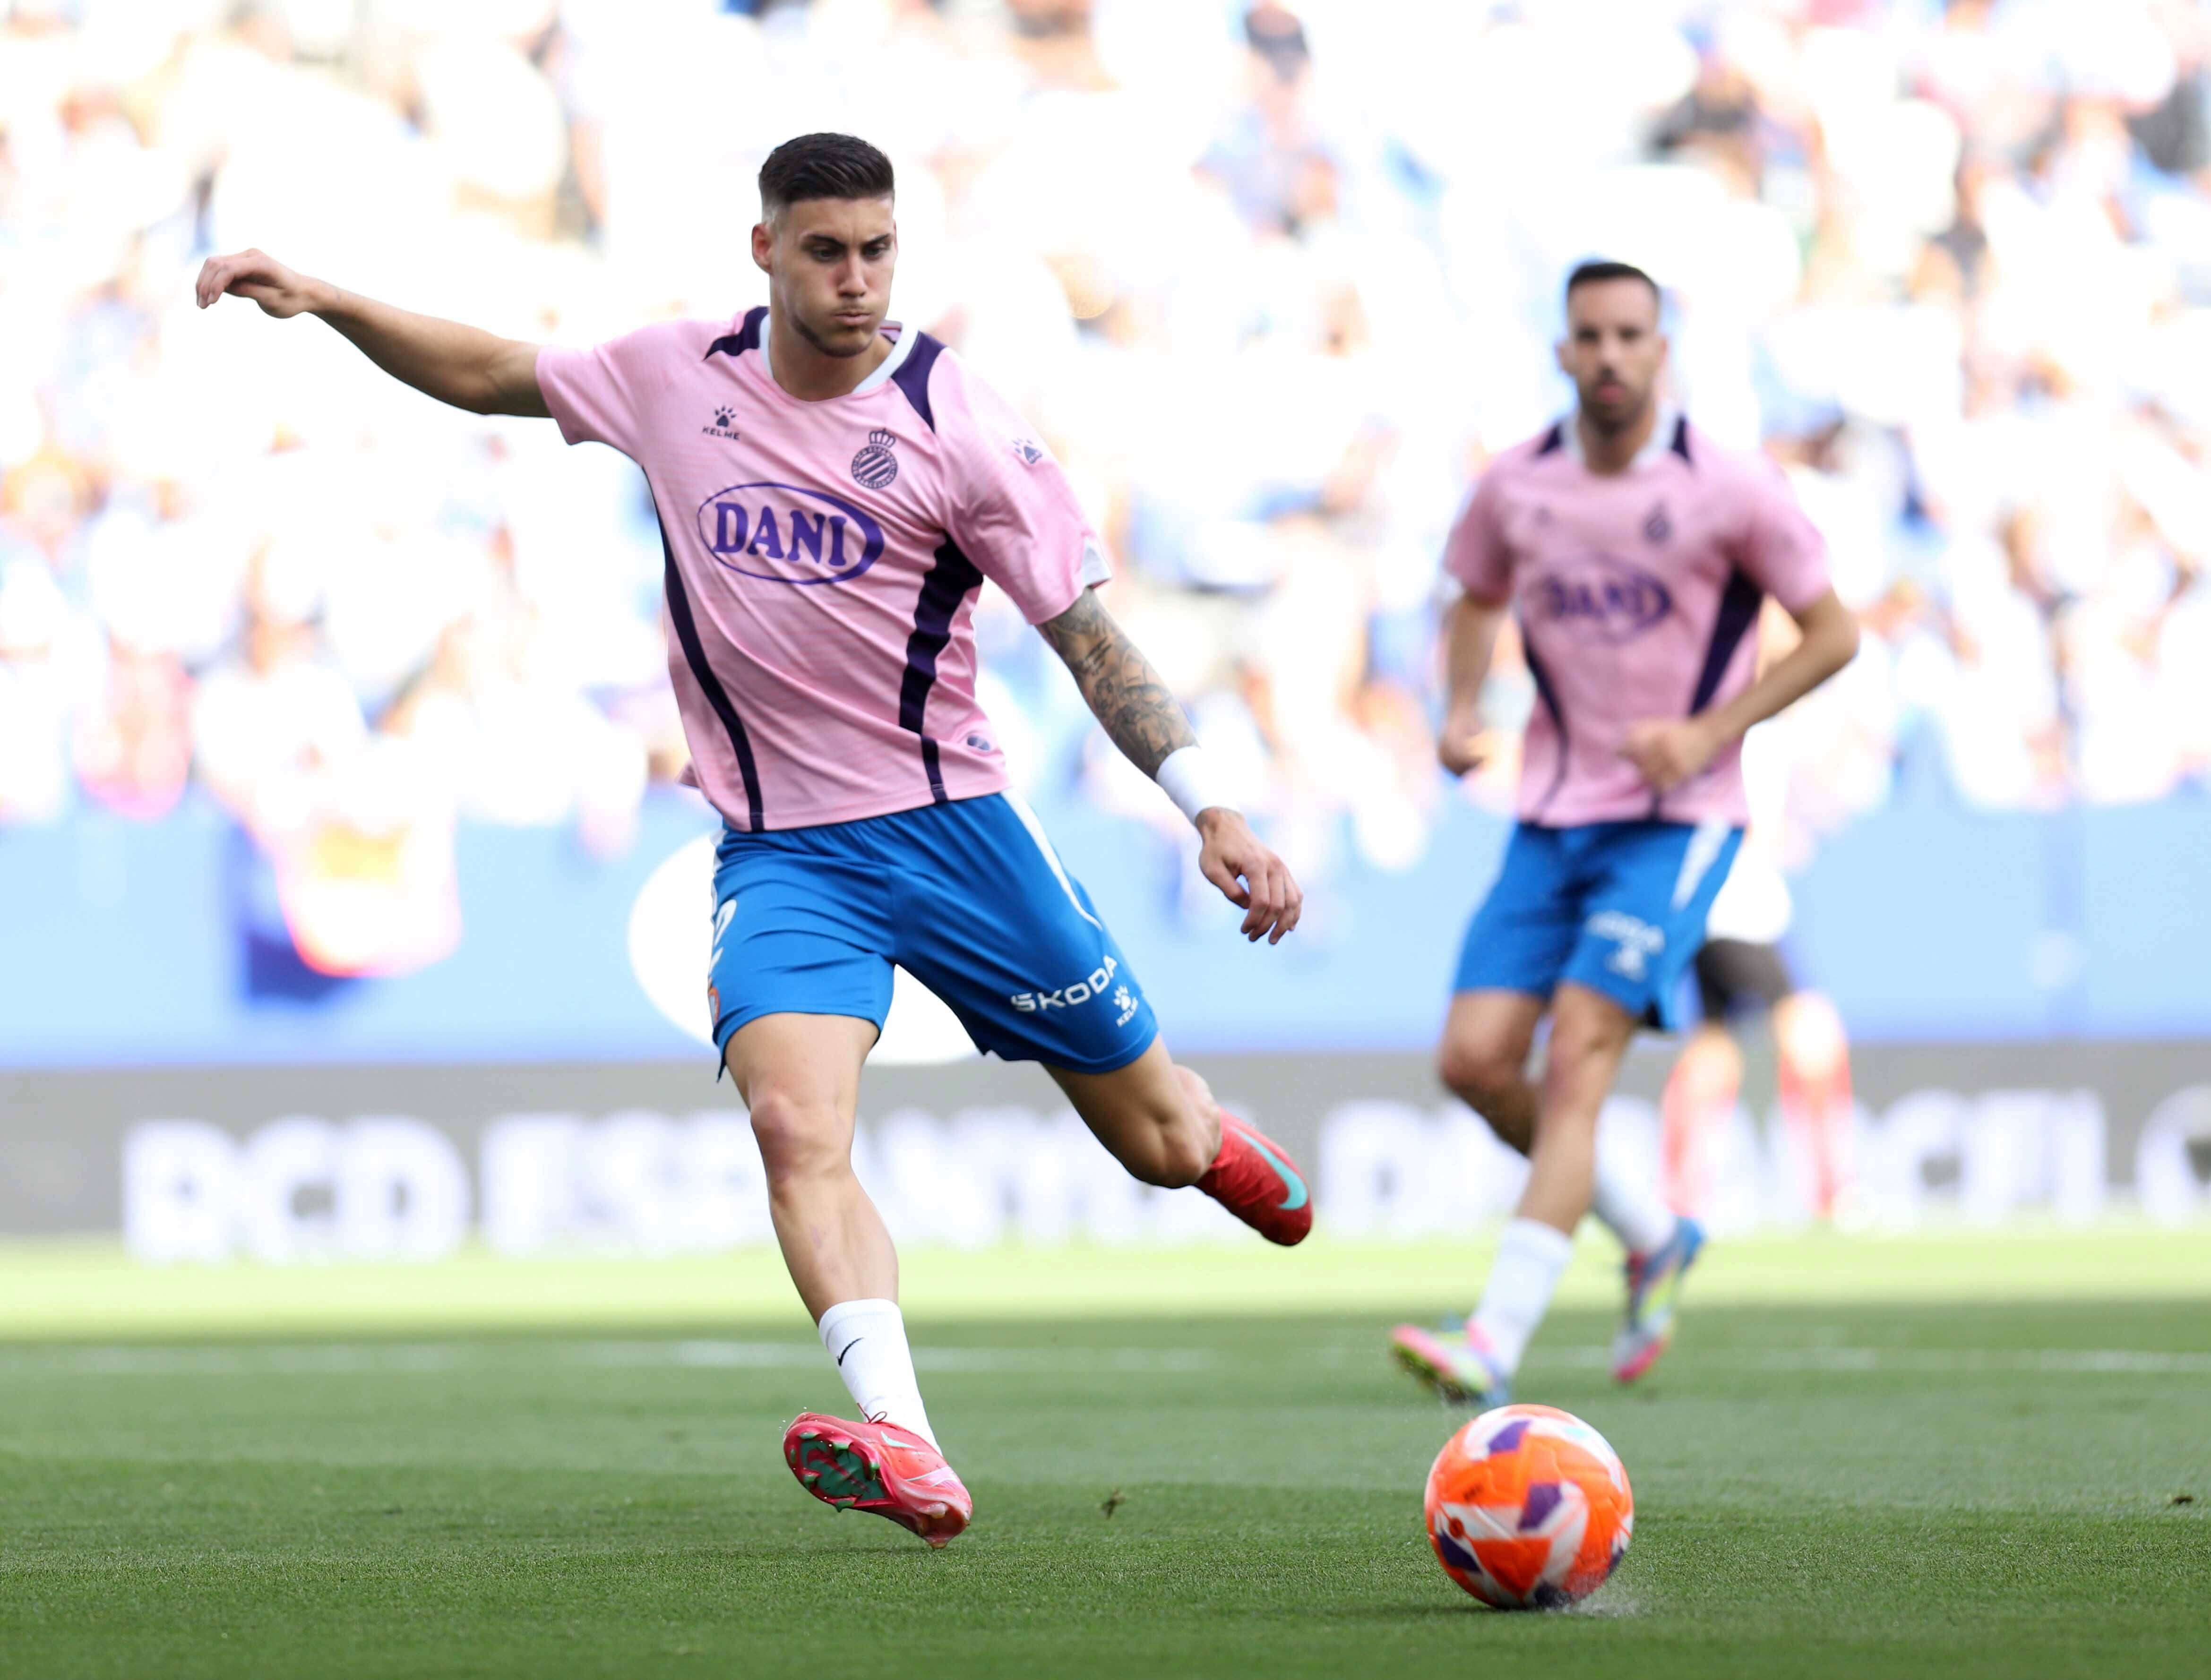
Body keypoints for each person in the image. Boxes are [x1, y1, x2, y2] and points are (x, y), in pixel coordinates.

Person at [197, 132, 1313, 1549]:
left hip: (958, 834)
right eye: (827, 251)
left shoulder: (962, 424)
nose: (857, 282)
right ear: (767, 250)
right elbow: (496, 374)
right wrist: (331, 300)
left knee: (1155, 1143)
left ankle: (1208, 1135)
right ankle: (906, 1437)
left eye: (879, 251)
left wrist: (1212, 803)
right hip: (785, 854)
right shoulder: (677, 377)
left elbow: (1090, 641)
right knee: (794, 1124)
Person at [1390, 260, 1858, 1405]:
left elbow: (1834, 633)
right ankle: (1653, 1234)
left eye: (1629, 335)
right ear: (1562, 351)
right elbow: (1474, 596)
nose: (1607, 354)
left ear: (1663, 350)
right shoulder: (1518, 488)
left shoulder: (1731, 488)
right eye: (1588, 335)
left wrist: (1710, 732)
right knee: (1475, 1063)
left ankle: (1493, 1339)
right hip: (1551, 817)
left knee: (1582, 1054)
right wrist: (1459, 711)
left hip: (1677, 821)